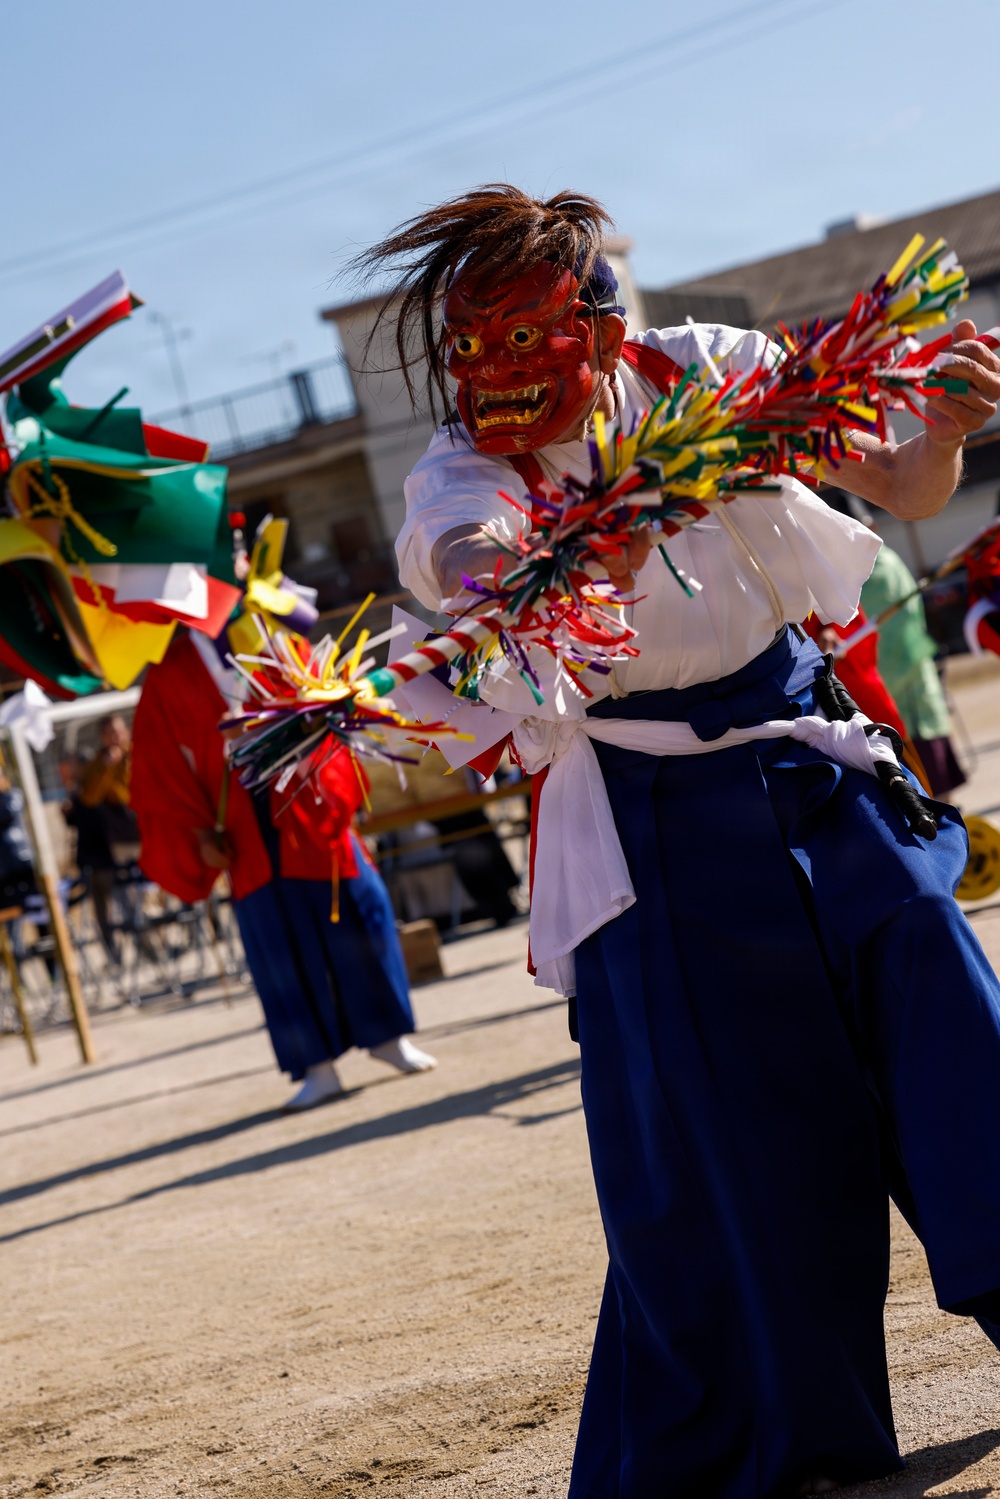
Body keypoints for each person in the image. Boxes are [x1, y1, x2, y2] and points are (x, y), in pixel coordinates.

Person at [365, 185, 1000, 1496]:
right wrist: (539, 560)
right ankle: (786, 1444)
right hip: (651, 820)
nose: (505, 375)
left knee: (953, 1020)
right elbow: (472, 558)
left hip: (807, 755)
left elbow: (900, 479)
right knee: (739, 1139)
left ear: (595, 321)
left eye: (532, 336)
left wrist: (939, 428)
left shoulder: (713, 369)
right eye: (476, 347)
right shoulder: (459, 469)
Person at [130, 628, 436, 1111]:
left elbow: (331, 707)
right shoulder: (167, 669)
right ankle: (316, 1065)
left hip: (306, 800)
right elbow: (160, 767)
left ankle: (387, 1037)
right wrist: (197, 833)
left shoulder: (277, 639)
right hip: (239, 826)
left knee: (359, 914)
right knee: (277, 946)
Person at [860, 536, 967, 796]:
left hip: (898, 677)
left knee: (927, 778)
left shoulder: (877, 561)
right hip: (891, 678)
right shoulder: (871, 560)